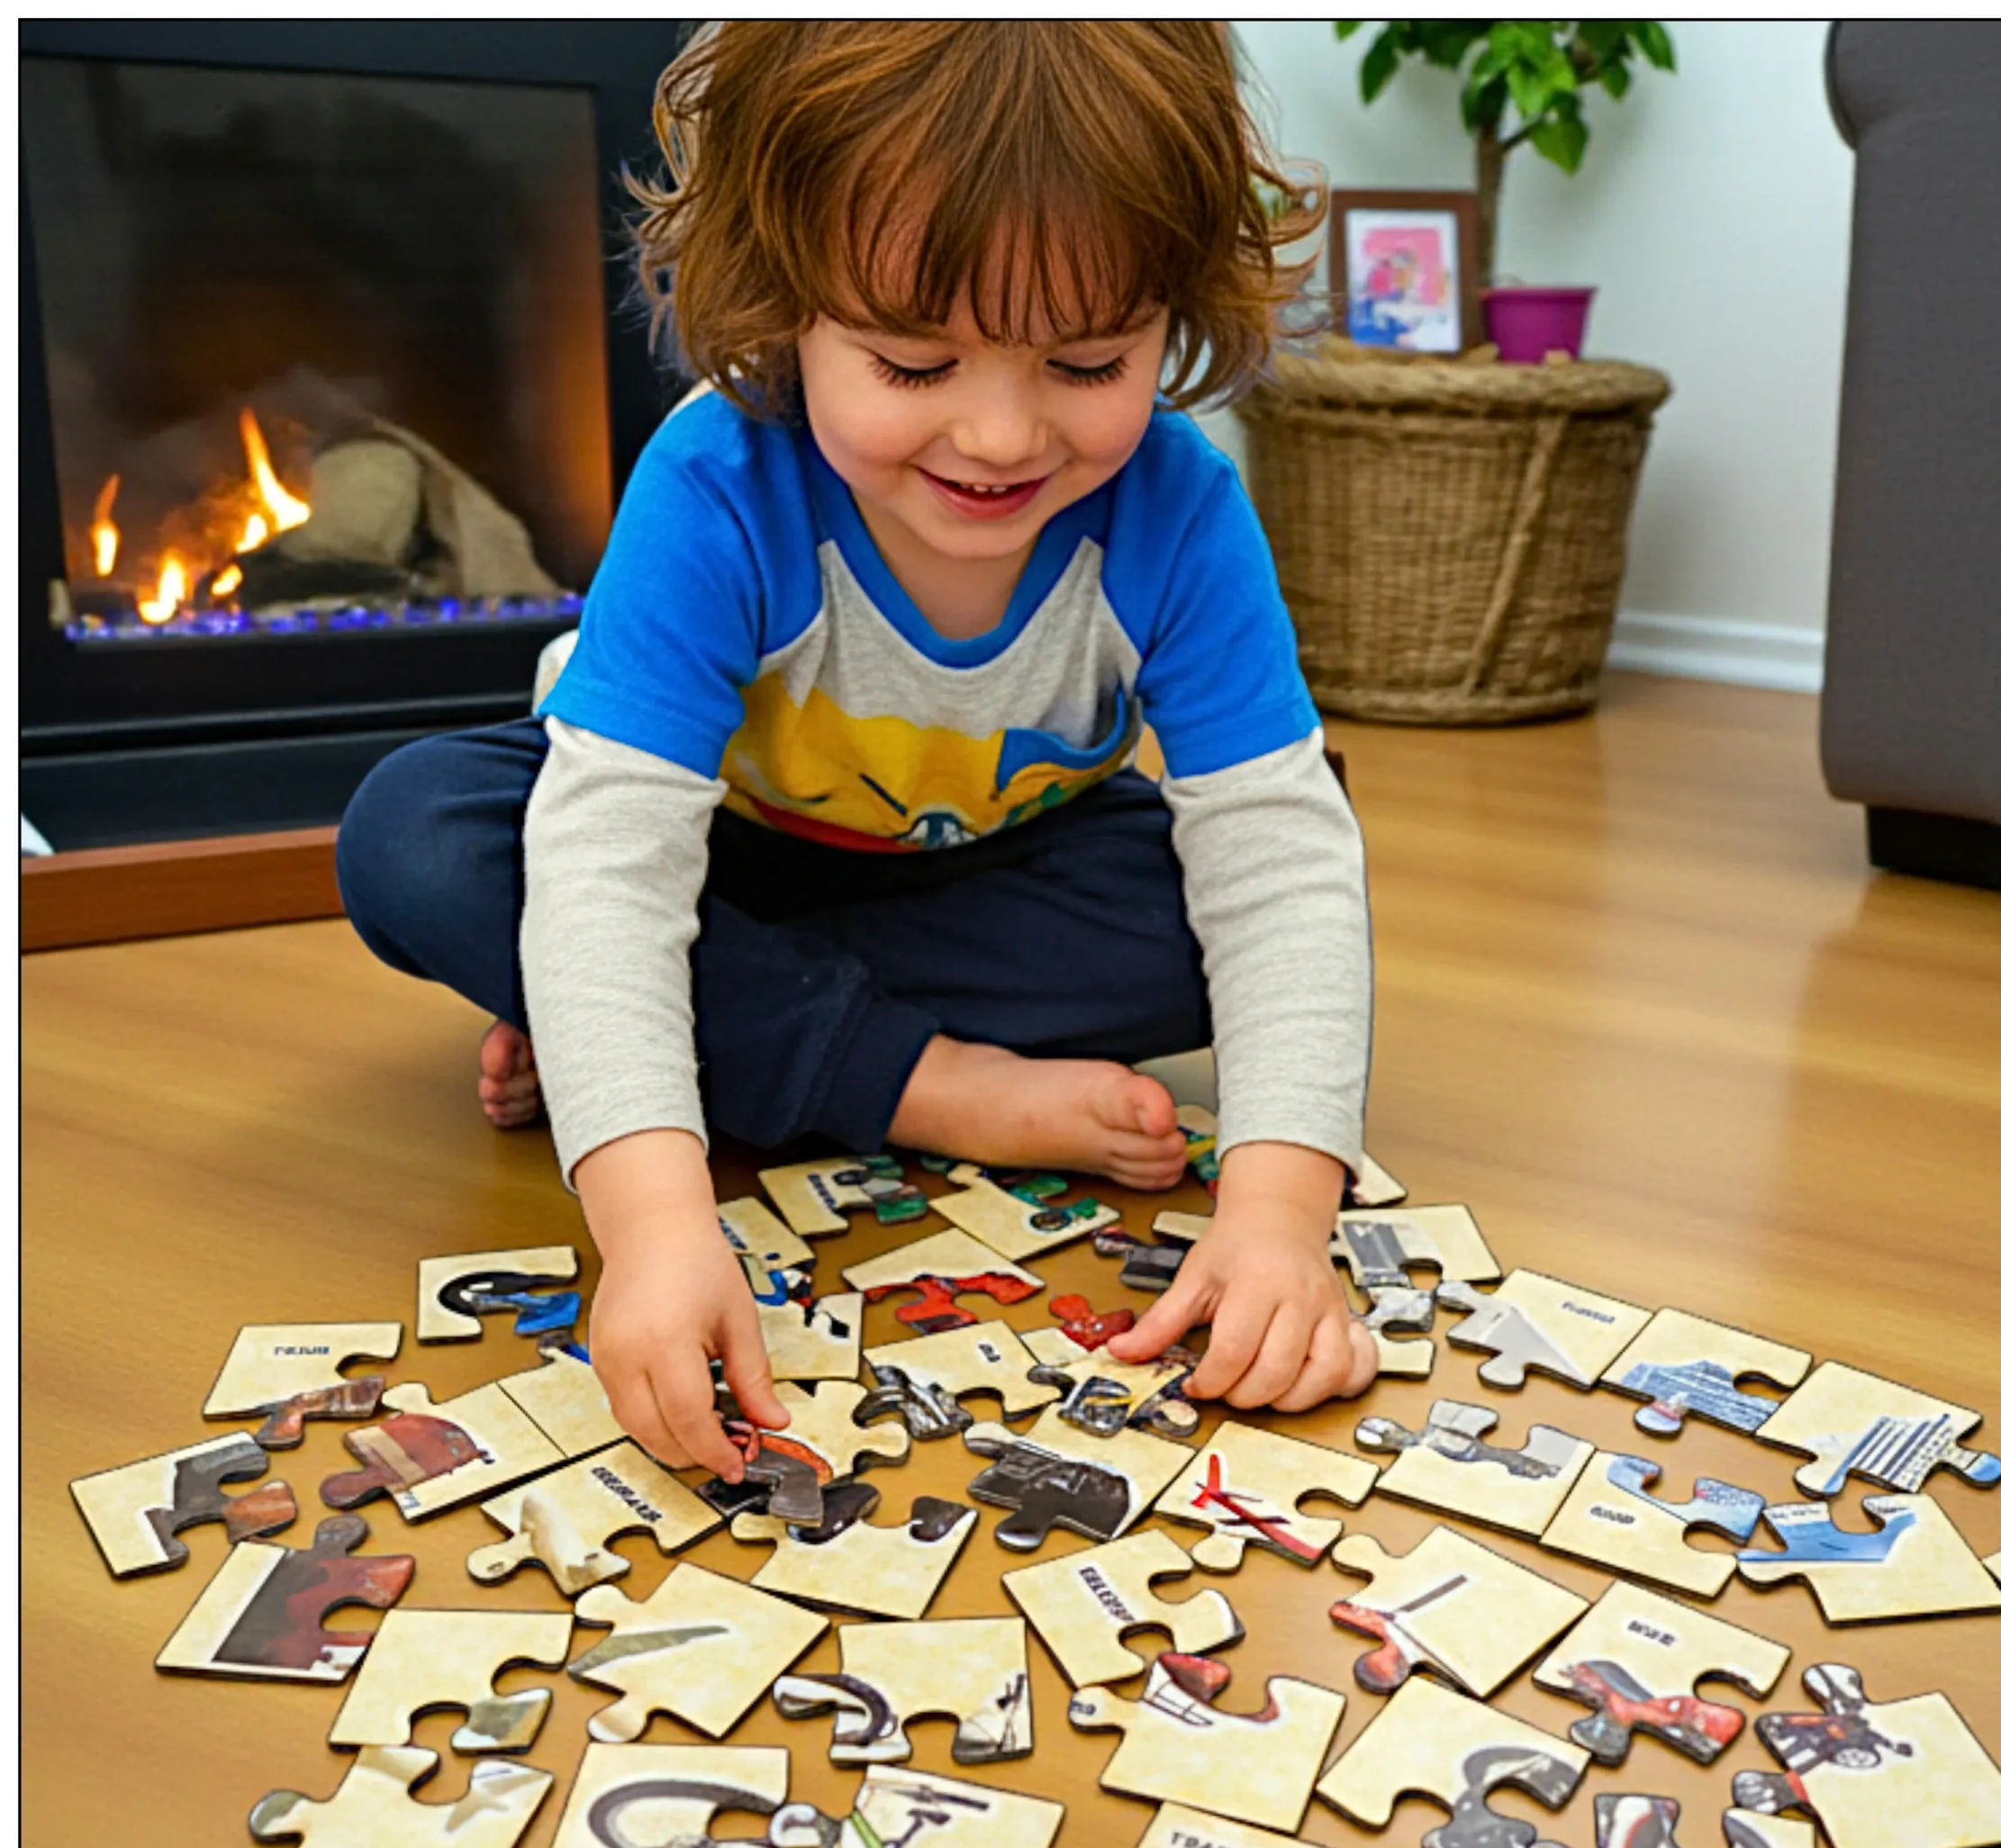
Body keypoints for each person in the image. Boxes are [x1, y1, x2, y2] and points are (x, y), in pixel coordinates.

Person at [336, 21, 1378, 1481]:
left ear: (1172, 316)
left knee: (1239, 894)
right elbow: (615, 855)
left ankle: (676, 1023)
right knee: (427, 835)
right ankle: (911, 1079)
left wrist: (1278, 1221)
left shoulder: (1181, 512)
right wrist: (649, 1219)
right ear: (787, 312)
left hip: (969, 873)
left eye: (1090, 360)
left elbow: (1273, 862)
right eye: (911, 361)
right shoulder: (716, 480)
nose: (1002, 434)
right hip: (713, 850)